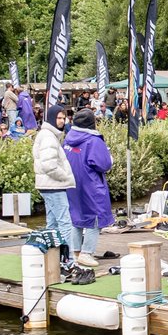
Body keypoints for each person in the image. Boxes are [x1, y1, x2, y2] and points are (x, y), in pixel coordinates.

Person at [63, 109, 114, 270]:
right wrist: (109, 157)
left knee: (76, 217)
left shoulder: (68, 139)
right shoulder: (93, 140)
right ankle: (87, 252)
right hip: (91, 184)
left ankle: (75, 252)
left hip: (72, 183)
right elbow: (104, 164)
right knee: (96, 218)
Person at [33, 104, 77, 271]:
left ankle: (53, 258)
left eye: (63, 118)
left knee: (52, 223)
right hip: (54, 186)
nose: (62, 121)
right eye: (58, 118)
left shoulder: (47, 135)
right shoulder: (49, 137)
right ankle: (69, 259)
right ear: (51, 118)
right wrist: (65, 177)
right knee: (65, 222)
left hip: (47, 186)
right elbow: (49, 165)